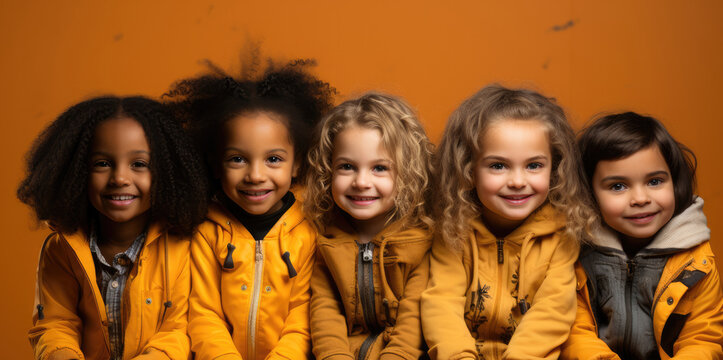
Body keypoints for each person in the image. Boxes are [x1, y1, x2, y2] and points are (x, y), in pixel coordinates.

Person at [166, 58, 335, 360]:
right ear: (216, 164)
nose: (255, 175)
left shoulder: (311, 231)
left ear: (297, 163)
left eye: (273, 159)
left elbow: (303, 318)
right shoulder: (206, 231)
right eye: (238, 159)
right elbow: (204, 315)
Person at [18, 96, 208, 360]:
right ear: (76, 172)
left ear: (167, 174)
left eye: (139, 165)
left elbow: (178, 330)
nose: (119, 178)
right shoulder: (61, 248)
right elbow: (55, 324)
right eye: (102, 164)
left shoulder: (184, 246)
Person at [421, 84, 595, 359]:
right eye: (498, 166)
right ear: (468, 169)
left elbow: (552, 313)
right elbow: (441, 304)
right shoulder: (454, 228)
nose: (517, 181)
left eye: (534, 165)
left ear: (555, 169)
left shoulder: (563, 232)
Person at [561, 112, 723, 359]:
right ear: (589, 194)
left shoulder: (696, 262)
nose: (640, 199)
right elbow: (575, 332)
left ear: (675, 183)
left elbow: (702, 338)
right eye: (618, 186)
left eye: (655, 181)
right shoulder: (576, 254)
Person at [304, 93, 434, 360]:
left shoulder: (421, 241)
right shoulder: (324, 238)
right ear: (328, 170)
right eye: (347, 167)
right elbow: (324, 313)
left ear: (407, 173)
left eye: (379, 168)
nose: (361, 182)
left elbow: (412, 325)